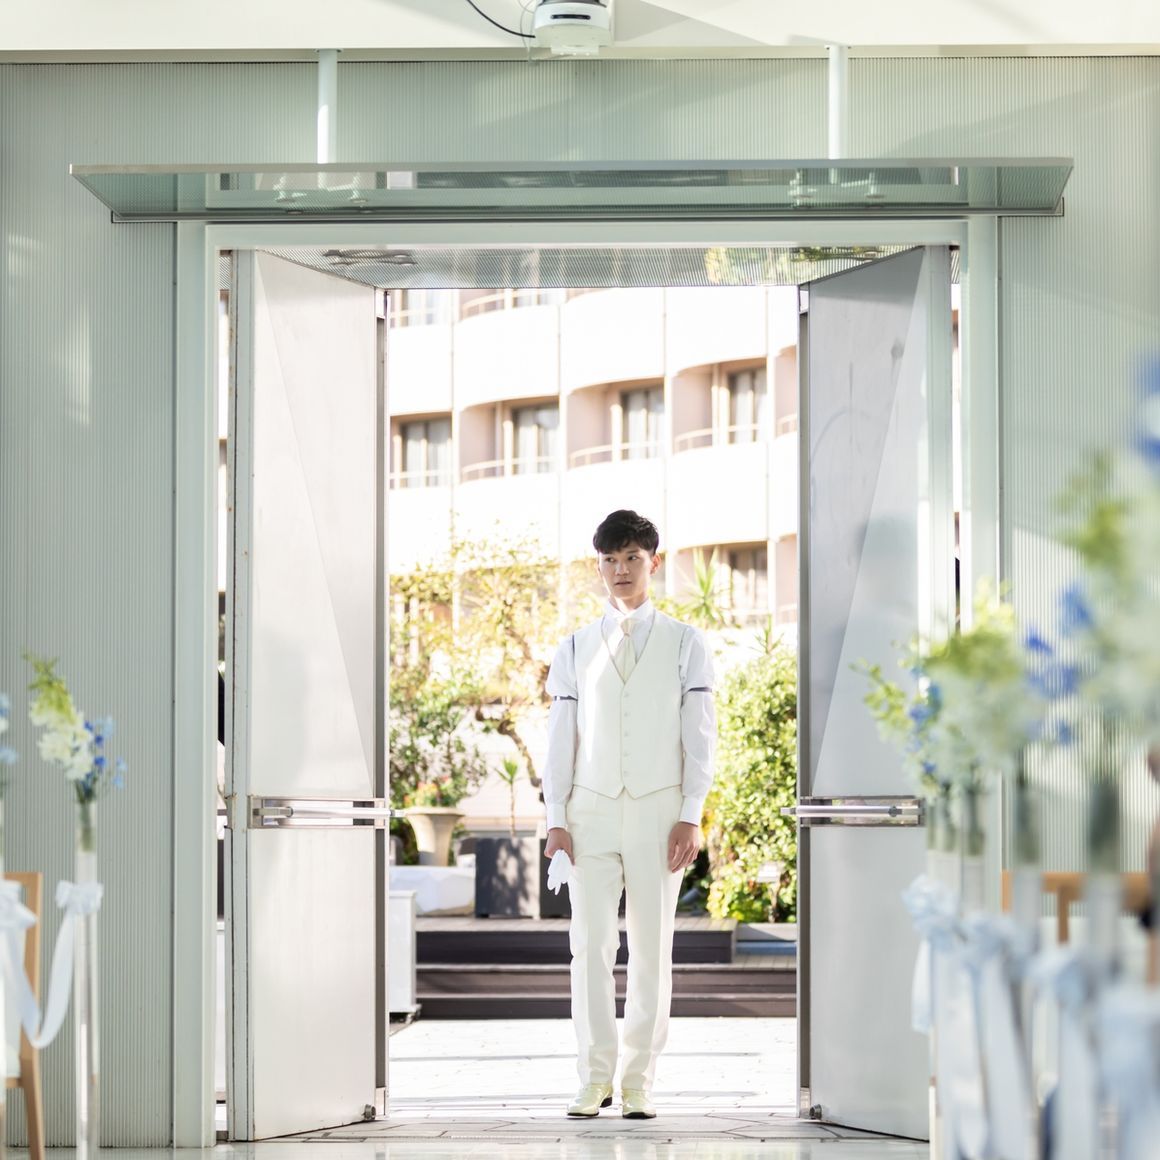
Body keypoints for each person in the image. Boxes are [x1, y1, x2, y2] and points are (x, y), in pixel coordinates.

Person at [543, 509, 716, 1120]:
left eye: (632, 558)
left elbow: (700, 735)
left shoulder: (686, 642)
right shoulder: (573, 646)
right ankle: (594, 1077)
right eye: (610, 560)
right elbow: (560, 738)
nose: (621, 570)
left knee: (651, 951)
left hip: (659, 813)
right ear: (599, 567)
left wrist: (691, 813)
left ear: (653, 563)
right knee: (589, 947)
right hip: (588, 813)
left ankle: (638, 1080)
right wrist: (555, 817)